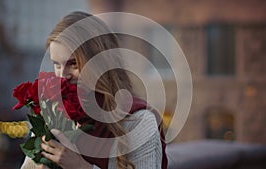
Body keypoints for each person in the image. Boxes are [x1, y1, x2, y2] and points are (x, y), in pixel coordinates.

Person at [20, 11, 167, 169]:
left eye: (74, 63)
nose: (62, 75)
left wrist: (81, 166)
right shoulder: (52, 114)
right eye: (56, 64)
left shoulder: (138, 122)